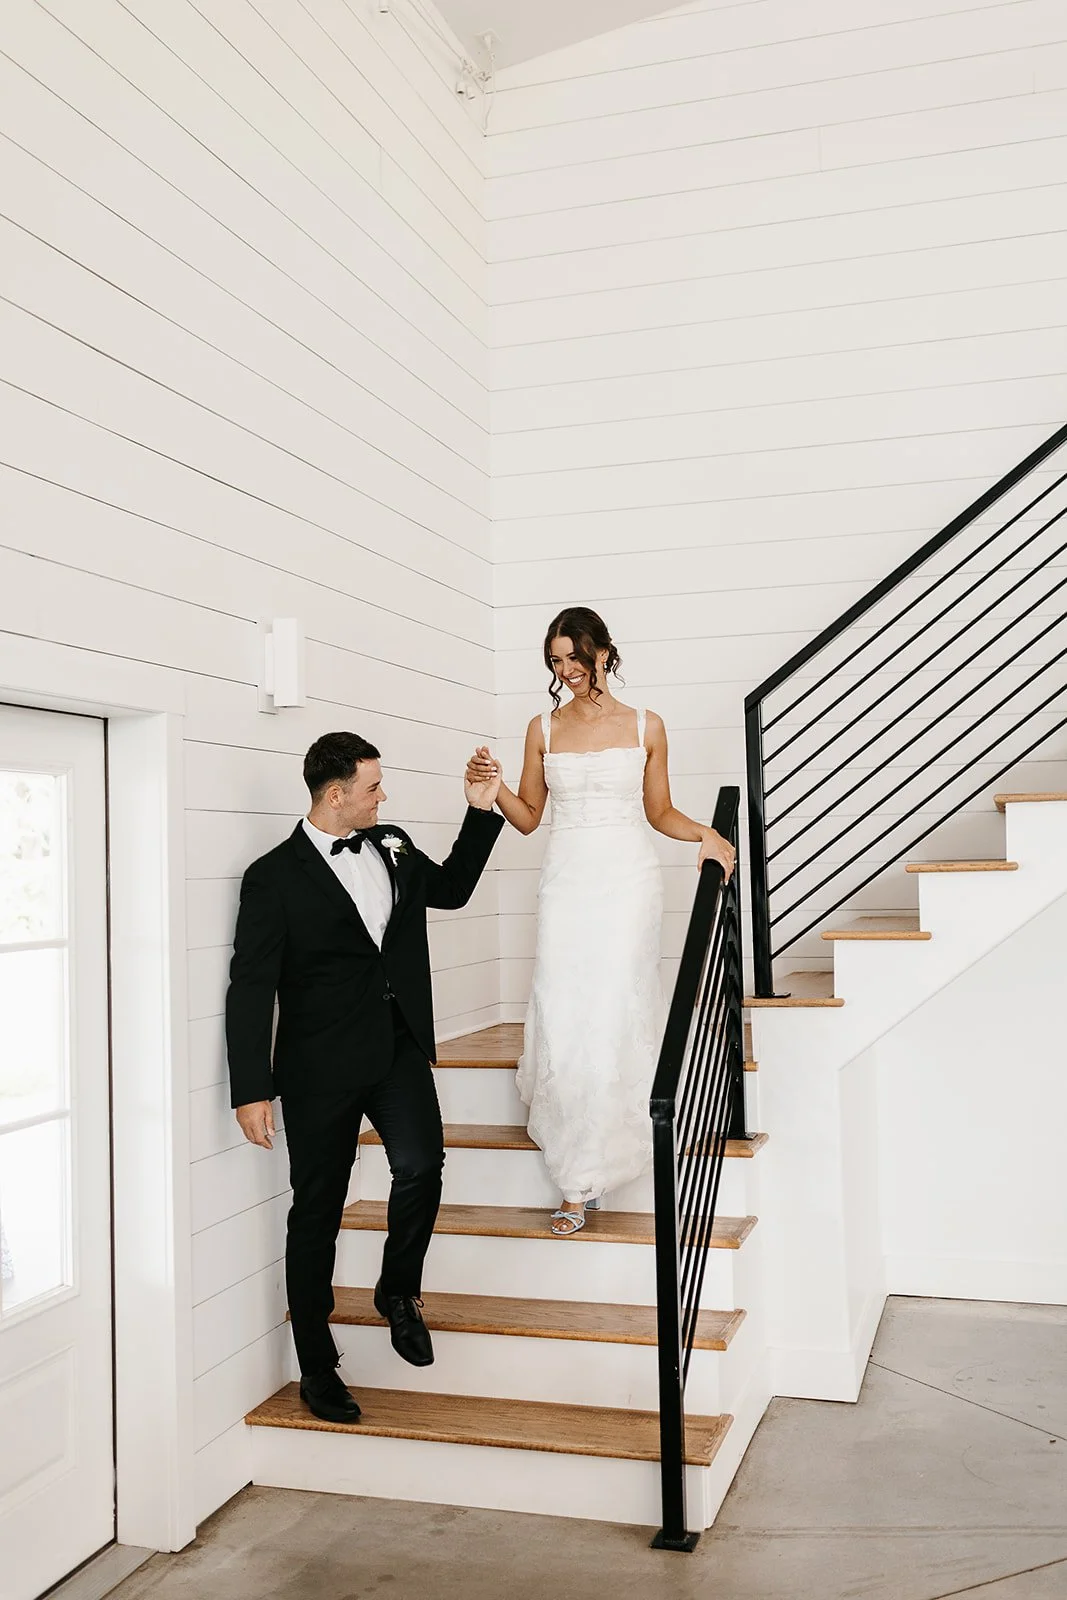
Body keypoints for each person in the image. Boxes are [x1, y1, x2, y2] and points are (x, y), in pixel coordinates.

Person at [225, 732, 503, 1424]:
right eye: (374, 787)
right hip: (317, 1067)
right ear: (335, 794)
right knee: (317, 1209)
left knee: (422, 1165)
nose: (386, 797)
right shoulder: (273, 876)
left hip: (396, 1048)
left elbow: (455, 890)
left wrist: (480, 810)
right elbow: (252, 987)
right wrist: (250, 1087)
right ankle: (317, 1364)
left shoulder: (392, 844)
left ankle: (397, 1290)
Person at [467, 607, 734, 1236]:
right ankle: (575, 1158)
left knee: (615, 1009)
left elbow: (660, 811)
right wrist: (495, 788)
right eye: (556, 661)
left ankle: (584, 1179)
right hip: (567, 879)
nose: (566, 671)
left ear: (602, 653)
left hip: (627, 882)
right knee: (564, 1009)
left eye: (574, 658)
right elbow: (530, 816)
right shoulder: (541, 729)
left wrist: (708, 834)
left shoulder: (647, 726)